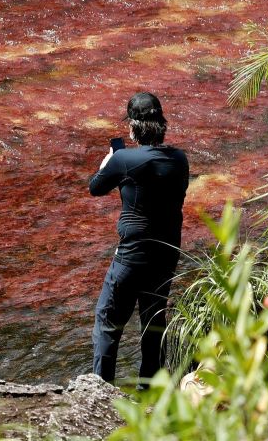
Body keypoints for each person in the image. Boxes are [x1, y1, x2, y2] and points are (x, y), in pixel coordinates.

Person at [88, 92, 189, 385]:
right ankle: (151, 391)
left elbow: (95, 188)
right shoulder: (180, 159)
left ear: (132, 127)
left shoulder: (123, 158)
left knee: (107, 323)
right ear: (162, 124)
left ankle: (99, 395)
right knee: (153, 323)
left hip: (132, 256)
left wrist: (108, 163)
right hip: (167, 254)